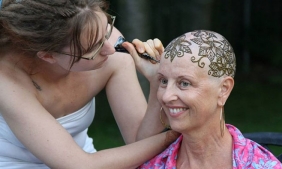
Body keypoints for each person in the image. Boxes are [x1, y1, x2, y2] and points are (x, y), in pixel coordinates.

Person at [0, 0, 178, 168]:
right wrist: (177, 134)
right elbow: (80, 165)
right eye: (94, 48)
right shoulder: (7, 81)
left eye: (107, 28)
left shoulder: (110, 43)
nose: (110, 49)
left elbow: (138, 143)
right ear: (48, 55)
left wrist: (158, 82)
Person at [137, 30, 282, 169]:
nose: (166, 96)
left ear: (223, 89)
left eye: (184, 83)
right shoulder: (153, 163)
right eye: (163, 81)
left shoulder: (261, 165)